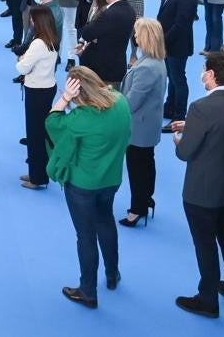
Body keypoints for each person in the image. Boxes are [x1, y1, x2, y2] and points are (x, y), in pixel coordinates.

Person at [171, 52, 224, 319]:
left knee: (205, 243)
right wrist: (193, 126)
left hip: (202, 187)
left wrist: (180, 139)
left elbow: (185, 152)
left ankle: (207, 299)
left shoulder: (200, 108)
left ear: (212, 74)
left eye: (205, 70)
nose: (202, 74)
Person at [47, 67, 131, 309]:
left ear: (77, 90)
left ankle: (88, 291)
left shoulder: (82, 117)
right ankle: (112, 273)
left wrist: (64, 99)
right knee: (106, 222)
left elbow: (52, 122)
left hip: (83, 184)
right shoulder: (121, 102)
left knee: (85, 236)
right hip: (111, 178)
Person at [119, 19, 166, 228]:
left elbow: (131, 102)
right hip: (149, 124)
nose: (135, 38)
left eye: (137, 34)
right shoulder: (156, 61)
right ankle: (146, 200)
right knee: (147, 164)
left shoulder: (146, 67)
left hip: (138, 127)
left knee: (137, 168)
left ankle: (137, 209)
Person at [17, 5, 60, 190]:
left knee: (35, 135)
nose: (31, 22)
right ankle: (37, 172)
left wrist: (20, 59)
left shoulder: (38, 43)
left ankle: (37, 177)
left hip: (36, 91)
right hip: (47, 87)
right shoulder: (52, 39)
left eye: (33, 20)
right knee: (39, 134)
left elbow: (22, 68)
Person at [158, 0, 199, 125]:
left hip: (177, 44)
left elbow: (180, 24)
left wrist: (162, 41)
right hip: (168, 41)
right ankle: (169, 107)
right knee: (171, 77)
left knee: (178, 79)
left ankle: (179, 115)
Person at [77, 0, 135, 86]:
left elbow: (87, 32)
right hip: (115, 68)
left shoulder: (109, 13)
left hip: (101, 72)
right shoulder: (130, 10)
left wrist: (95, 37)